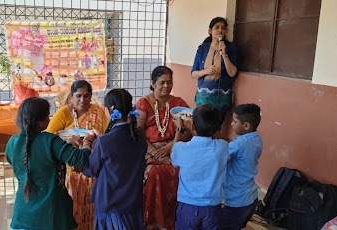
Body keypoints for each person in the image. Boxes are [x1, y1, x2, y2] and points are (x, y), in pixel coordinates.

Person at [5, 97, 96, 230]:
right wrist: (88, 141)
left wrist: (62, 146)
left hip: (22, 216)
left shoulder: (12, 143)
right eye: (48, 116)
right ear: (40, 122)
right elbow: (82, 158)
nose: (49, 119)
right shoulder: (50, 142)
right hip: (50, 218)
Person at [46, 80, 109, 230]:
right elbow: (48, 138)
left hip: (94, 163)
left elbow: (107, 136)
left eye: (87, 96)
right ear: (71, 97)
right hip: (70, 164)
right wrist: (67, 139)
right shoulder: (64, 113)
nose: (83, 100)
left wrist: (97, 137)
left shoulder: (98, 112)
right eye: (78, 96)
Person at [83, 88, 147, 229]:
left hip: (110, 205)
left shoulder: (104, 142)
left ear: (109, 111)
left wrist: (87, 144)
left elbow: (89, 170)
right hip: (132, 203)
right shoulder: (140, 135)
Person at [135, 65, 190, 230]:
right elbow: (138, 133)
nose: (166, 86)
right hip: (147, 149)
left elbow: (188, 130)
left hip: (176, 147)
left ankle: (177, 219)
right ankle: (152, 221)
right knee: (155, 173)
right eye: (162, 82)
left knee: (184, 170)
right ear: (153, 83)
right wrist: (155, 153)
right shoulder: (143, 103)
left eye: (169, 82)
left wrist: (170, 148)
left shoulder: (179, 103)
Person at [171, 104, 229, 230]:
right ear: (218, 128)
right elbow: (224, 140)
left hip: (187, 207)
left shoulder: (181, 148)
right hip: (213, 208)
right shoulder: (222, 147)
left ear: (192, 126)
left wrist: (180, 129)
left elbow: (174, 158)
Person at [191, 17, 239, 139]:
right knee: (201, 127)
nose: (220, 30)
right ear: (210, 30)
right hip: (203, 96)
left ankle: (212, 152)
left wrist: (224, 54)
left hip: (222, 97)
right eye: (216, 27)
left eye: (223, 28)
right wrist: (205, 71)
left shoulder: (231, 48)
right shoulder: (202, 48)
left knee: (216, 128)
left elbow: (232, 73)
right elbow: (193, 73)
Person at [221, 103, 263, 230]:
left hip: (237, 201)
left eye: (234, 121)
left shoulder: (240, 144)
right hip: (250, 198)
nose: (232, 124)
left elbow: (219, 156)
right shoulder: (257, 139)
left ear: (246, 126)